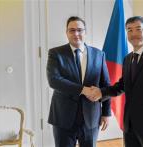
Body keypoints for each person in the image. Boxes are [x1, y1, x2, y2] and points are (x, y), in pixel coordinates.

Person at [86, 16, 143, 147]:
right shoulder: (128, 59)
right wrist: (101, 92)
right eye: (129, 30)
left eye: (138, 29)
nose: (134, 34)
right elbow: (122, 85)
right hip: (130, 125)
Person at [46, 16, 111, 147]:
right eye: (72, 30)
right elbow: (54, 81)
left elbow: (106, 85)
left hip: (91, 119)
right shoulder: (55, 53)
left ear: (85, 32)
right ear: (66, 32)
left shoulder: (99, 54)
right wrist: (83, 90)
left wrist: (106, 113)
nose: (76, 34)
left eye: (80, 30)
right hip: (63, 118)